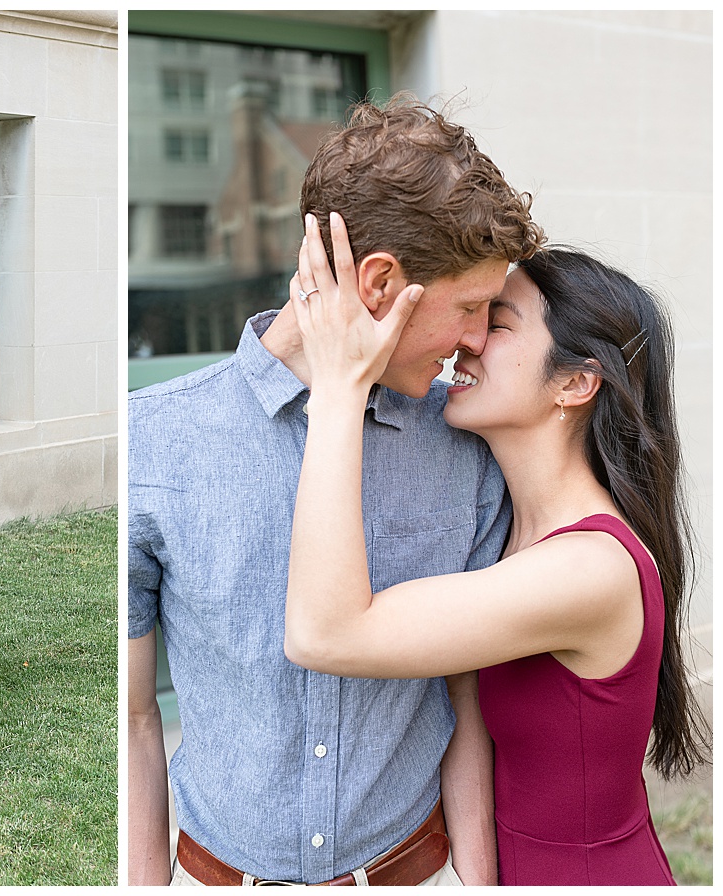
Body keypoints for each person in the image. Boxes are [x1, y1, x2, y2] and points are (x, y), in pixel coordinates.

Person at [128, 94, 544, 886]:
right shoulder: (155, 441)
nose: (481, 341)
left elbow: (465, 711)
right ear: (381, 282)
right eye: (471, 307)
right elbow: (139, 719)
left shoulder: (465, 447)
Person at [284, 215, 710, 885]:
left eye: (498, 322)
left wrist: (341, 386)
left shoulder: (589, 570)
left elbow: (326, 634)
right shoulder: (510, 522)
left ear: (575, 383)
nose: (469, 342)